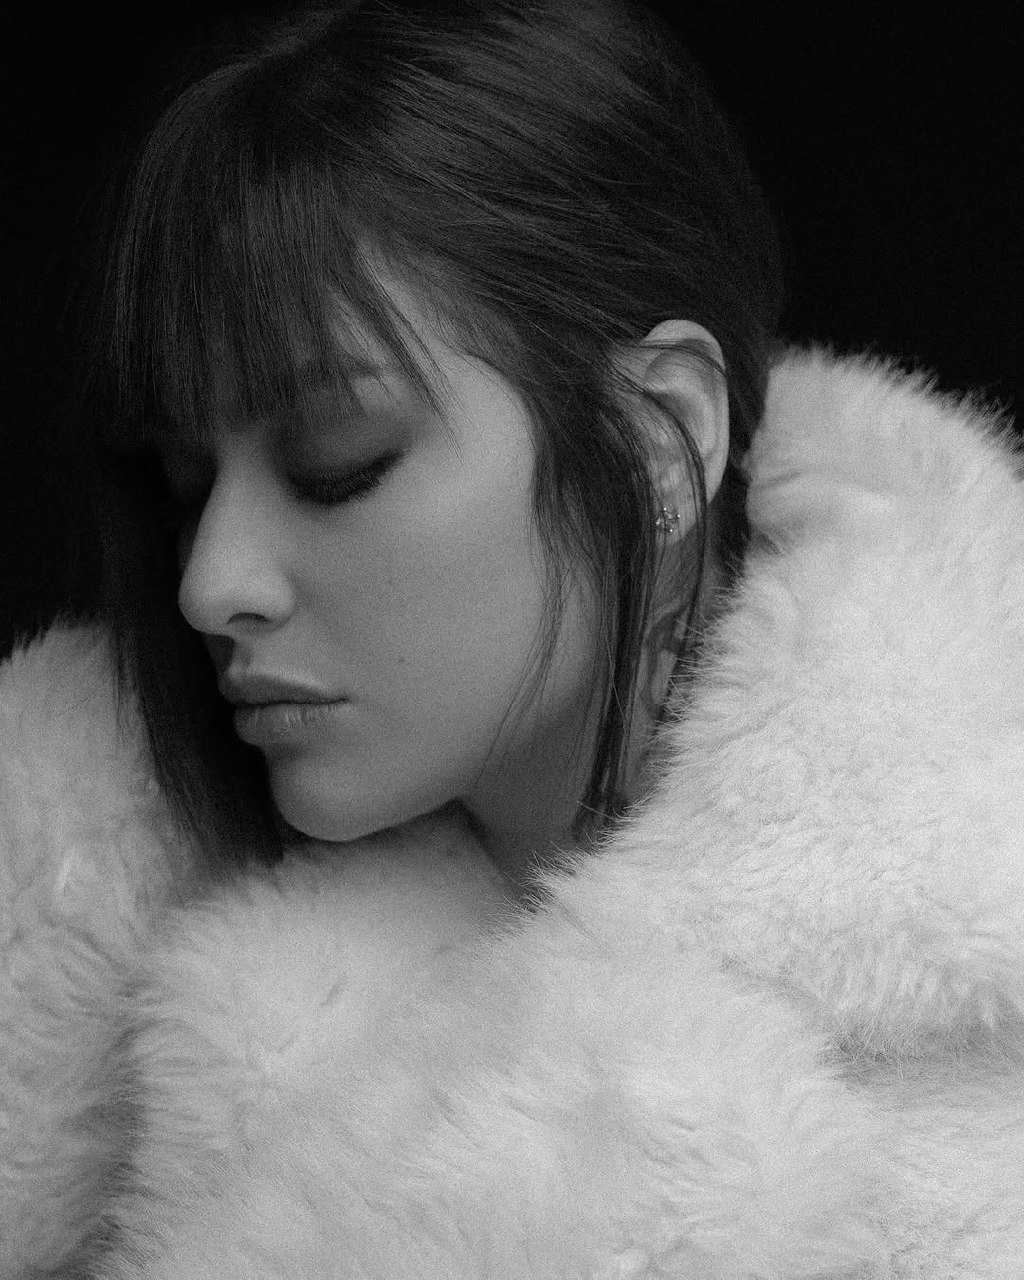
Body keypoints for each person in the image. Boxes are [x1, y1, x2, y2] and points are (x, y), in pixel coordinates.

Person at [1, 0, 1021, 1275]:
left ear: (657, 444)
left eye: (335, 462)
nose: (209, 582)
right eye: (184, 483)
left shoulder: (962, 1101)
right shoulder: (81, 894)